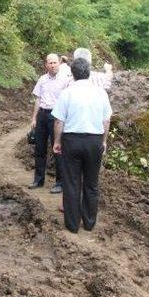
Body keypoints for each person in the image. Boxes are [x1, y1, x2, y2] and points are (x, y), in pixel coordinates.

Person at [52, 58, 112, 233]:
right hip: (94, 140)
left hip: (72, 140)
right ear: (89, 72)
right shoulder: (101, 93)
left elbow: (58, 121)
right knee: (92, 183)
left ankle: (72, 224)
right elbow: (106, 120)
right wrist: (103, 141)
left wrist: (57, 141)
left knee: (71, 183)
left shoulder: (67, 92)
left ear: (73, 73)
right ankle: (89, 222)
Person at [29, 53, 70, 193]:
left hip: (56, 117)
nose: (52, 65)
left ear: (59, 63)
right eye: (50, 63)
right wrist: (34, 118)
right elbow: (38, 99)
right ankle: (38, 180)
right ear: (46, 65)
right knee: (39, 148)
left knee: (57, 149)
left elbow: (68, 102)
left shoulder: (65, 81)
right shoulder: (42, 79)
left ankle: (60, 183)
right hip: (42, 114)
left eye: (55, 62)